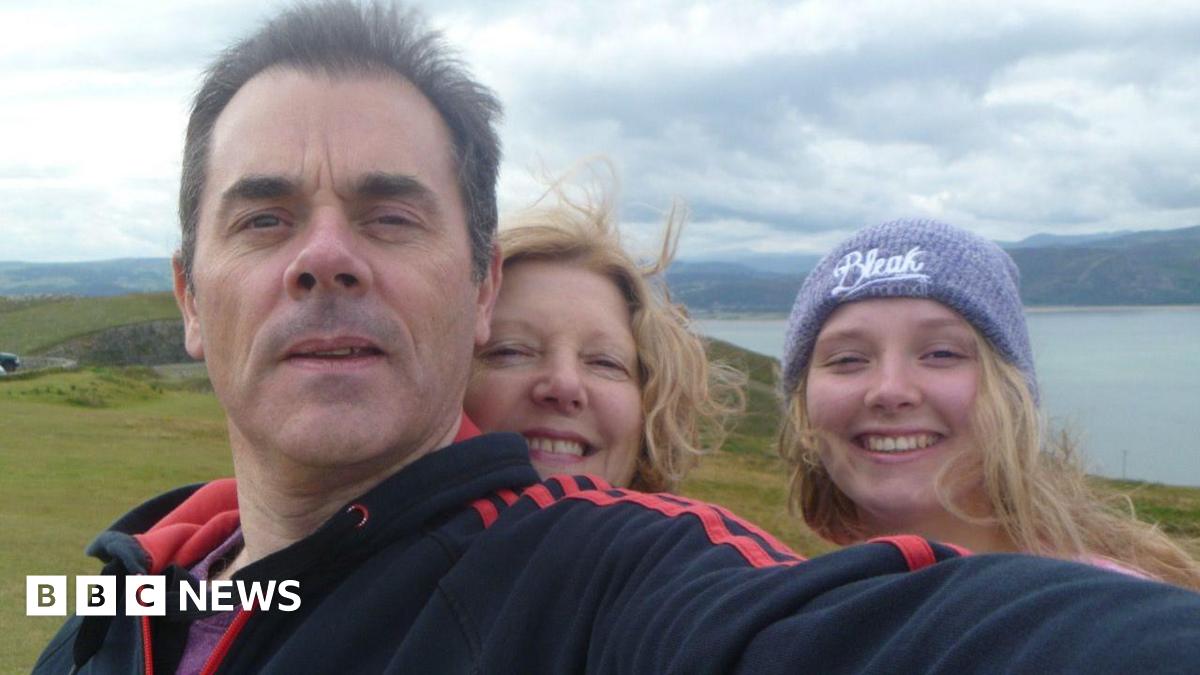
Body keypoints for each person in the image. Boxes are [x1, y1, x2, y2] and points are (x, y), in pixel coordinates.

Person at [34, 3, 1200, 673]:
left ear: (477, 286)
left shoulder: (599, 577)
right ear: (191, 297)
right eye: (264, 216)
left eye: (392, 216)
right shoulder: (123, 585)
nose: (325, 255)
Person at [777, 217, 1200, 588]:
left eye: (941, 353)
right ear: (803, 404)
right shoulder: (800, 613)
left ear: (1013, 391)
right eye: (847, 359)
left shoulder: (1112, 622)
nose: (890, 390)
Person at [464, 172, 744, 491]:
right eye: (510, 351)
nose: (565, 385)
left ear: (649, 409)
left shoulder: (698, 540)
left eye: (605, 363)